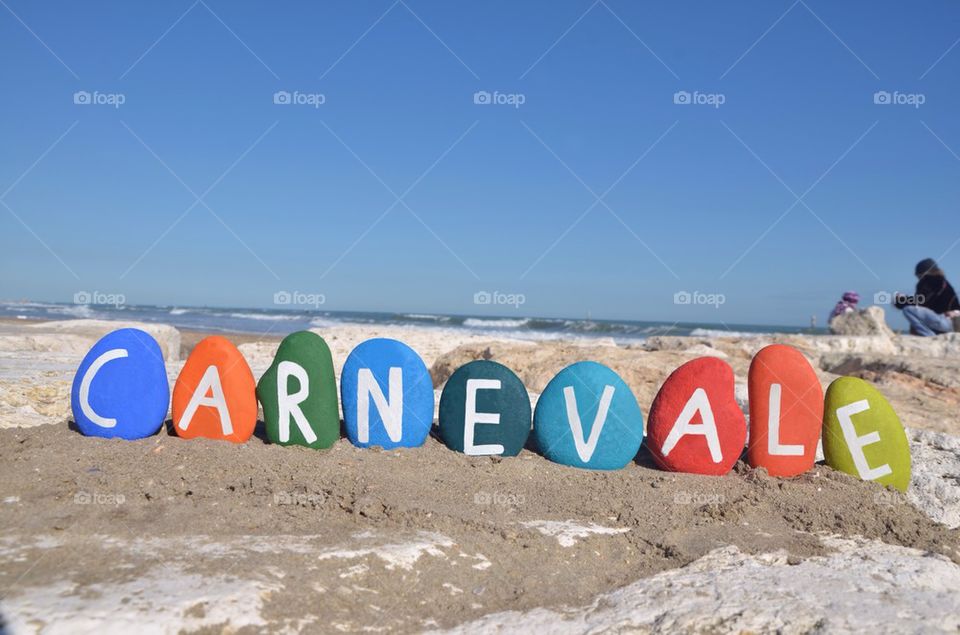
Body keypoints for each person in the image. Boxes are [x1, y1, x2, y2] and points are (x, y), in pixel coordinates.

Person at [893, 258, 960, 336]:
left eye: (917, 275)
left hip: (946, 321)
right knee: (919, 314)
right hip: (954, 322)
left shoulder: (929, 280)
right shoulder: (943, 282)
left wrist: (900, 300)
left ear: (921, 273)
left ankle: (929, 336)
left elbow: (920, 301)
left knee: (908, 310)